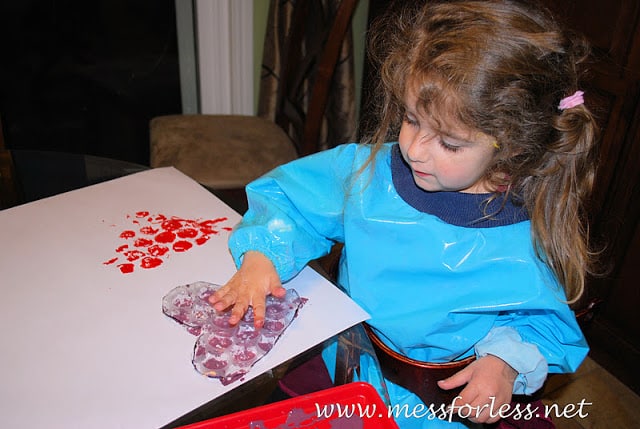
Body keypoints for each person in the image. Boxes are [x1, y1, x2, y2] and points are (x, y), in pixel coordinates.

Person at [209, 0, 600, 427]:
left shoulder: (528, 233)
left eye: (449, 144)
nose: (414, 149)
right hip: (343, 366)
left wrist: (504, 362)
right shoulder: (369, 172)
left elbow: (541, 324)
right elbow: (290, 198)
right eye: (412, 119)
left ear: (512, 146)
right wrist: (262, 254)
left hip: (443, 404)